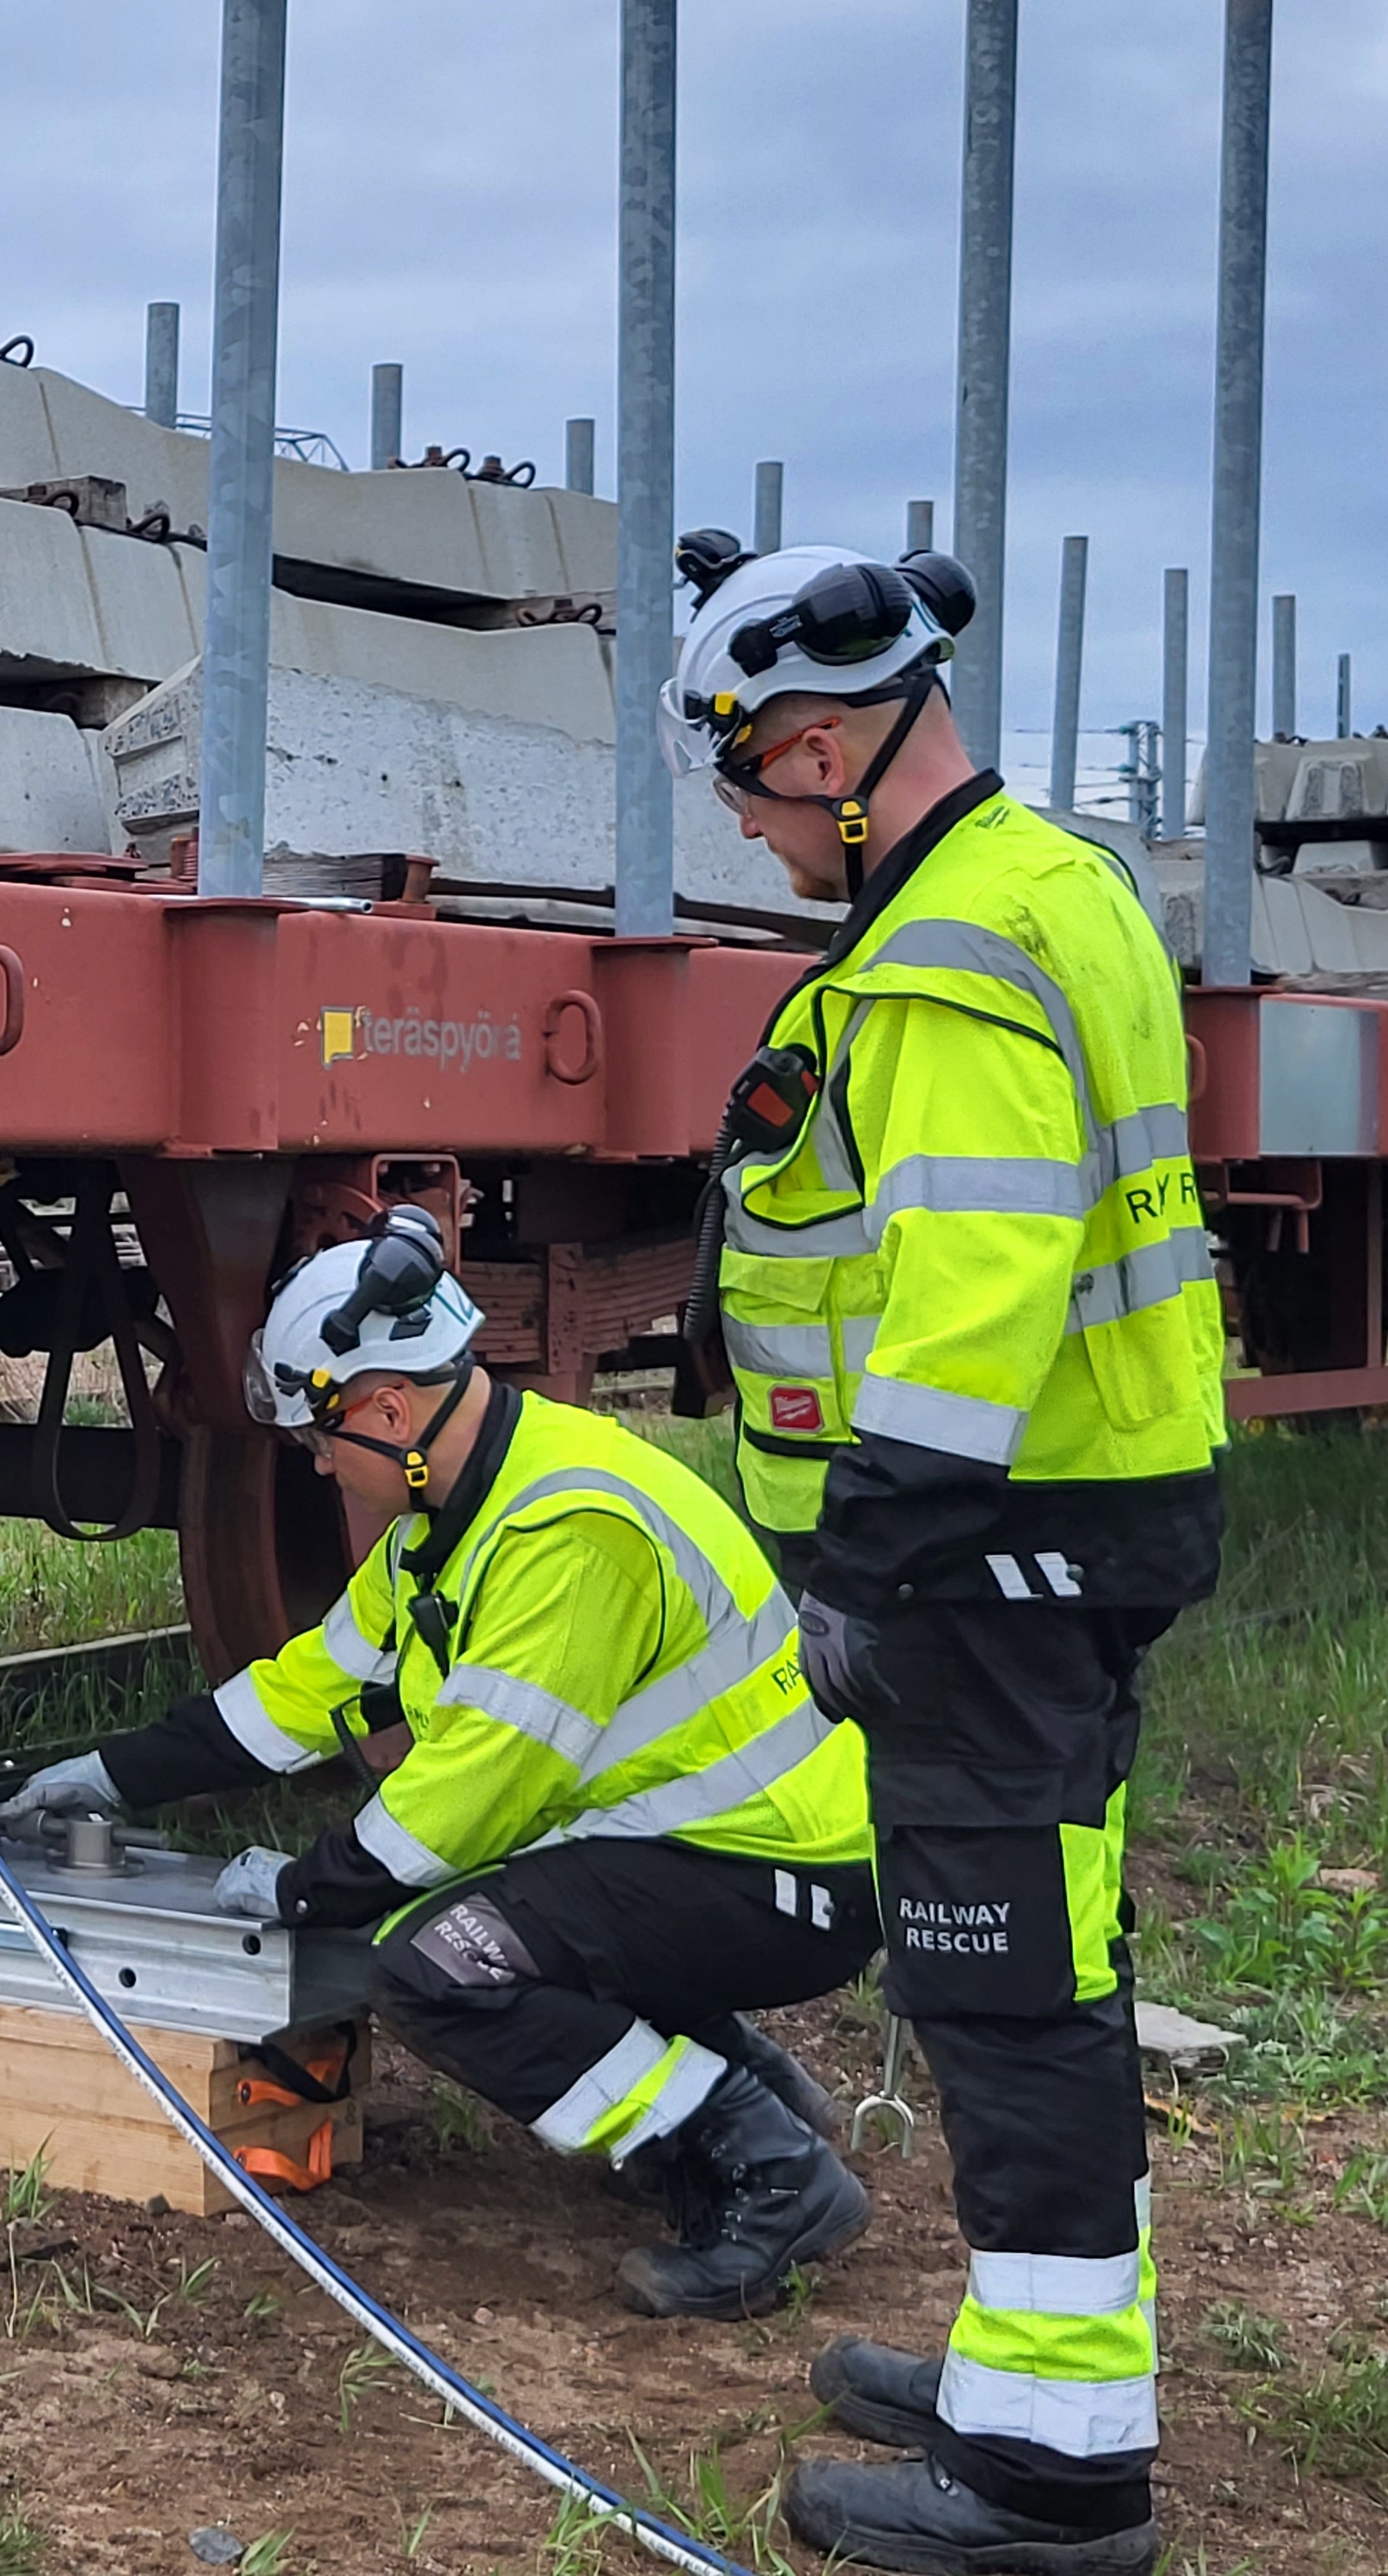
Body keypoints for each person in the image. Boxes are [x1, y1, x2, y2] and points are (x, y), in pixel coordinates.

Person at [662, 532, 1224, 2576]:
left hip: (989, 1555)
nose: (736, 824)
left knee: (1005, 1993)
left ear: (818, 745)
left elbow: (967, 1301)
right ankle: (1029, 2373)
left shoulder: (938, 960)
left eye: (738, 779)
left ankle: (1045, 2487)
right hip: (1084, 1521)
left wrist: (861, 1572)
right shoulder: (1051, 883)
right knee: (1048, 1958)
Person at [0, 1209, 879, 2318]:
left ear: (391, 1408)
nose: (317, 1467)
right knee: (486, 1915)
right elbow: (306, 1692)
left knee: (435, 1964)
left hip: (792, 1876)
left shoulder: (569, 1530)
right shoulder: (452, 1521)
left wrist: (308, 1888)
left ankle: (767, 2171)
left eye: (320, 1439)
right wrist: (108, 1774)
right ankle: (745, 2093)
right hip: (719, 1852)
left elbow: (467, 1794)